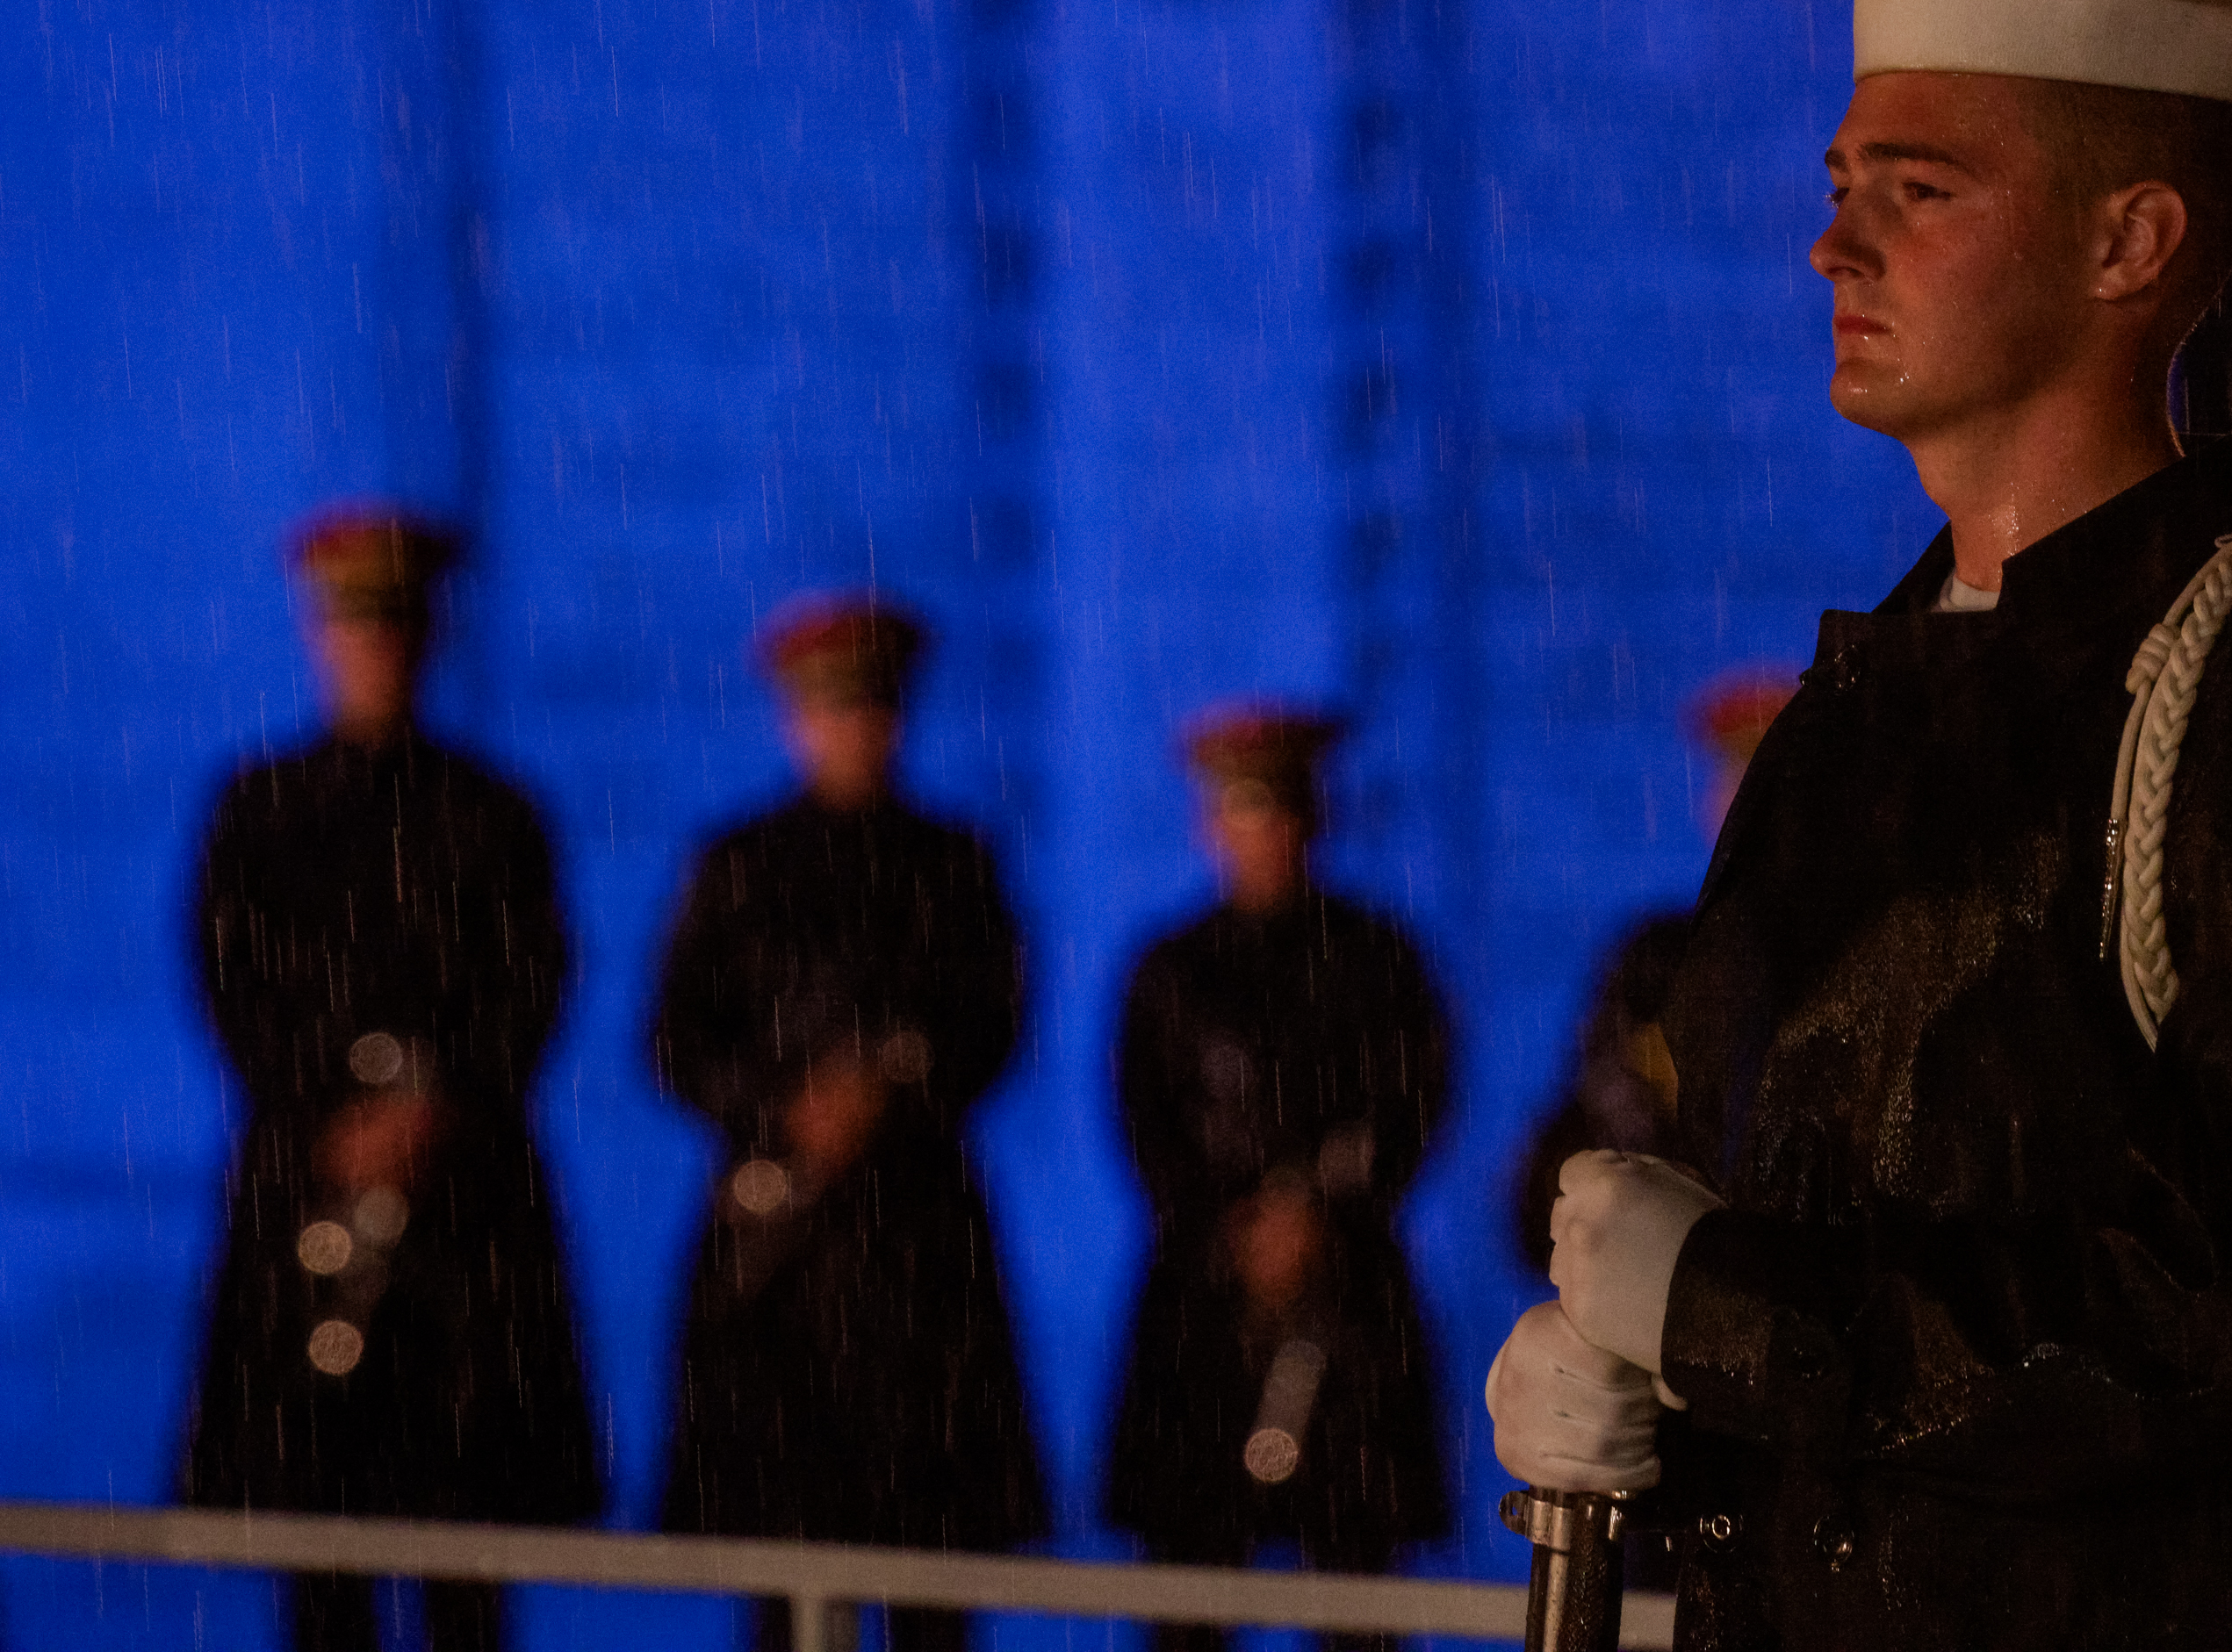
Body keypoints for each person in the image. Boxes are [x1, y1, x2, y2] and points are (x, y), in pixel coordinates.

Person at [1486, 0, 2232, 1650]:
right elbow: (1845, 1274)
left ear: (2131, 244)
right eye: (1842, 189)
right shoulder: (1854, 705)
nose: (1835, 246)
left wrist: (1730, 1315)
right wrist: (1648, 1387)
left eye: (1920, 191)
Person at [183, 506, 598, 1652]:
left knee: (467, 1558)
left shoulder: (494, 816)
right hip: (305, 1193)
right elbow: (231, 982)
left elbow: (534, 986)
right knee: (321, 1552)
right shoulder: (260, 810)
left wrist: (433, 1109)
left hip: (466, 1224)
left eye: (396, 626)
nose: (377, 648)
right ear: (322, 638)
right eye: (356, 627)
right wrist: (330, 1107)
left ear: (428, 637)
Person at [652, 595, 1041, 1652]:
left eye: (871, 708)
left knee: (928, 1581)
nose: (853, 730)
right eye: (831, 709)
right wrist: (786, 1105)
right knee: (780, 1579)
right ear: (795, 719)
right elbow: (674, 1041)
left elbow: (996, 1025)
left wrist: (891, 1096)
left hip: (918, 1263)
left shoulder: (954, 867)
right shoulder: (739, 866)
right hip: (775, 1265)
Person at [1107, 707, 1453, 1652]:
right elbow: (1146, 1126)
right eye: (1243, 813)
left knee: (1358, 1599)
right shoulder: (1170, 972)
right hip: (1202, 1315)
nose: (1264, 836)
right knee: (1189, 1596)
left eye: (1281, 812)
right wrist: (1235, 1227)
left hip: (1348, 1309)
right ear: (1209, 824)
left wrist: (1323, 1217)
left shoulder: (1380, 962)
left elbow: (1415, 1103)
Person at [1512, 672, 1798, 1274]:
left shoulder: (1847, 963)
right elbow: (1588, 1122)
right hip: (1659, 1266)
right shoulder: (1655, 961)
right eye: (1735, 785)